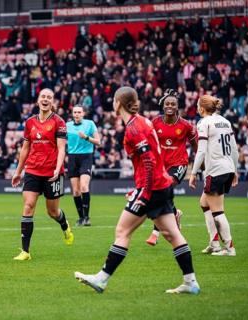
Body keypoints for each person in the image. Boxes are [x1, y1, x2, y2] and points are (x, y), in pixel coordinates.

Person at [75, 87, 200, 295]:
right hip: (163, 184)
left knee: (123, 232)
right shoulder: (144, 121)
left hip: (152, 188)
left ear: (118, 103)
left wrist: (144, 192)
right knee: (172, 234)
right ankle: (191, 282)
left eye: (113, 101)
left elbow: (149, 162)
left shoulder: (134, 128)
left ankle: (102, 279)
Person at [11, 88, 74, 261]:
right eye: (43, 97)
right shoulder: (30, 122)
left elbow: (61, 148)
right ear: (38, 100)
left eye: (49, 97)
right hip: (32, 170)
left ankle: (64, 224)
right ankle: (25, 251)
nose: (46, 99)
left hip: (52, 172)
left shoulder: (59, 122)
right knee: (28, 206)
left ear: (52, 102)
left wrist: (58, 167)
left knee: (52, 212)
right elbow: (25, 149)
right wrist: (18, 172)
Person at [146, 89, 198, 246]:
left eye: (173, 104)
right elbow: (149, 142)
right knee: (162, 194)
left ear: (177, 107)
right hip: (160, 165)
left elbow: (196, 146)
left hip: (179, 164)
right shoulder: (155, 122)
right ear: (163, 106)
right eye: (167, 103)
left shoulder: (186, 126)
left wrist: (201, 161)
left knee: (164, 189)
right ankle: (175, 213)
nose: (170, 106)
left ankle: (155, 233)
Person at [189, 95, 239, 256]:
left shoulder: (204, 123)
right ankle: (214, 242)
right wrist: (235, 170)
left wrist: (193, 172)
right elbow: (234, 149)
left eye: (198, 105)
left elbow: (201, 151)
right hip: (228, 167)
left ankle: (230, 248)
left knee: (218, 211)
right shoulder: (225, 121)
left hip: (215, 170)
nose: (197, 107)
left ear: (202, 108)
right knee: (204, 202)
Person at [66, 105, 100, 226]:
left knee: (84, 187)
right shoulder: (67, 126)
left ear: (83, 113)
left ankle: (87, 217)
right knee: (75, 191)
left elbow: (98, 142)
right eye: (75, 112)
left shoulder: (90, 124)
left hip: (86, 156)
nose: (76, 114)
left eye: (79, 112)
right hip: (72, 158)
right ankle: (80, 218)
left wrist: (86, 137)